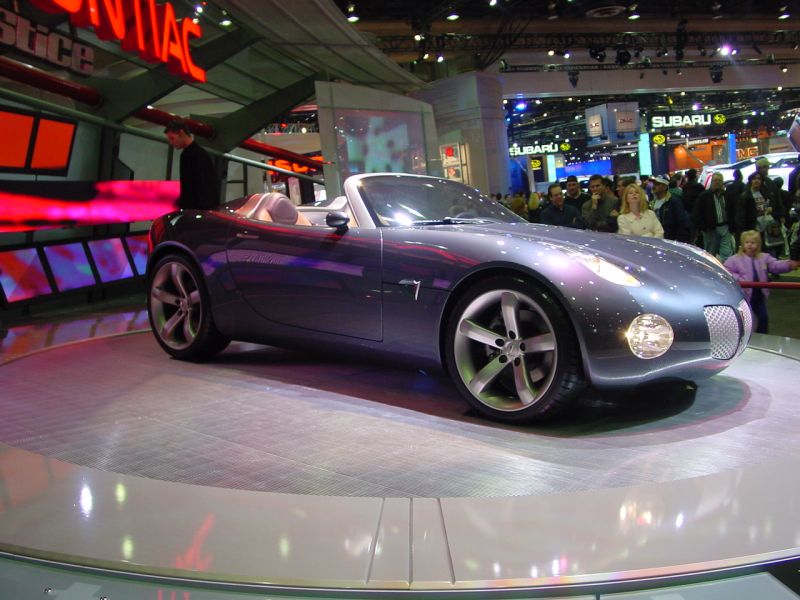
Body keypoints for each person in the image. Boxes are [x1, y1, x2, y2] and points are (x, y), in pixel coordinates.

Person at [724, 230, 800, 334]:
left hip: (759, 295)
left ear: (758, 244)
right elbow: (727, 271)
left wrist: (789, 265)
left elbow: (775, 265)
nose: (750, 245)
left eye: (753, 242)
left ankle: (763, 336)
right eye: (747, 242)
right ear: (742, 244)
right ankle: (746, 336)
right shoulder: (735, 259)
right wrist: (740, 279)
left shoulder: (764, 258)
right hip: (744, 296)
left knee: (763, 317)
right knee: (746, 319)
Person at [164, 120, 220, 210]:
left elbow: (202, 186)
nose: (171, 143)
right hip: (197, 208)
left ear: (181, 133)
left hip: (199, 209)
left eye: (172, 138)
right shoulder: (193, 154)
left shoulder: (195, 155)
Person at [692, 172, 735, 261]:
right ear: (711, 182)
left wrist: (733, 226)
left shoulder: (728, 195)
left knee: (726, 254)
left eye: (719, 180)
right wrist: (704, 228)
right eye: (715, 180)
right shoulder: (703, 196)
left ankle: (725, 268)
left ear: (722, 182)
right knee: (710, 255)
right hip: (710, 230)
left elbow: (733, 210)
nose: (717, 182)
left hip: (725, 228)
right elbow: (696, 214)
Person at [650, 175, 691, 242]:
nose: (654, 186)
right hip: (657, 240)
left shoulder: (673, 202)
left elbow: (683, 223)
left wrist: (678, 241)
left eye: (657, 184)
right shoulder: (651, 203)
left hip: (670, 241)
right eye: (653, 184)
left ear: (665, 187)